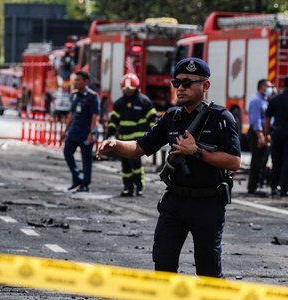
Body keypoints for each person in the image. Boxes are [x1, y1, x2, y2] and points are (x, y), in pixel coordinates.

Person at [96, 57, 241, 278]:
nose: (180, 88)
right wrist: (115, 144)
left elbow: (234, 161)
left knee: (208, 271)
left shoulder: (221, 118)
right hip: (175, 201)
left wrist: (197, 151)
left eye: (187, 83)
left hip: (208, 203)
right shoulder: (172, 117)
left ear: (205, 85)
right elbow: (141, 146)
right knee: (163, 264)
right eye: (176, 83)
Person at [106, 73, 157, 197]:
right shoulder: (119, 103)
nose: (128, 91)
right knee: (125, 167)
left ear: (136, 88)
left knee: (136, 165)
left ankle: (139, 187)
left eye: (130, 89)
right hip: (123, 141)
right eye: (126, 89)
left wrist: (152, 136)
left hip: (137, 142)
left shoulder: (144, 101)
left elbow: (152, 119)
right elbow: (113, 121)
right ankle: (127, 188)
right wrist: (111, 135)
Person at [63, 71, 100, 193]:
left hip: (86, 132)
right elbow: (71, 114)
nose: (76, 82)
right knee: (67, 151)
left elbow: (95, 117)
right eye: (75, 80)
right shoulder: (74, 95)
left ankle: (85, 184)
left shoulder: (93, 97)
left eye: (78, 80)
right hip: (74, 131)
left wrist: (92, 132)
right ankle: (77, 177)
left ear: (86, 81)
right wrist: (65, 130)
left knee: (86, 159)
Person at [246, 79, 274, 195]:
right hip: (257, 133)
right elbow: (256, 120)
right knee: (257, 161)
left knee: (263, 160)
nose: (270, 89)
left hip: (264, 132)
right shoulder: (257, 100)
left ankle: (259, 184)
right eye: (268, 87)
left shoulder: (265, 100)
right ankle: (253, 186)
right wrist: (261, 136)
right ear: (261, 87)